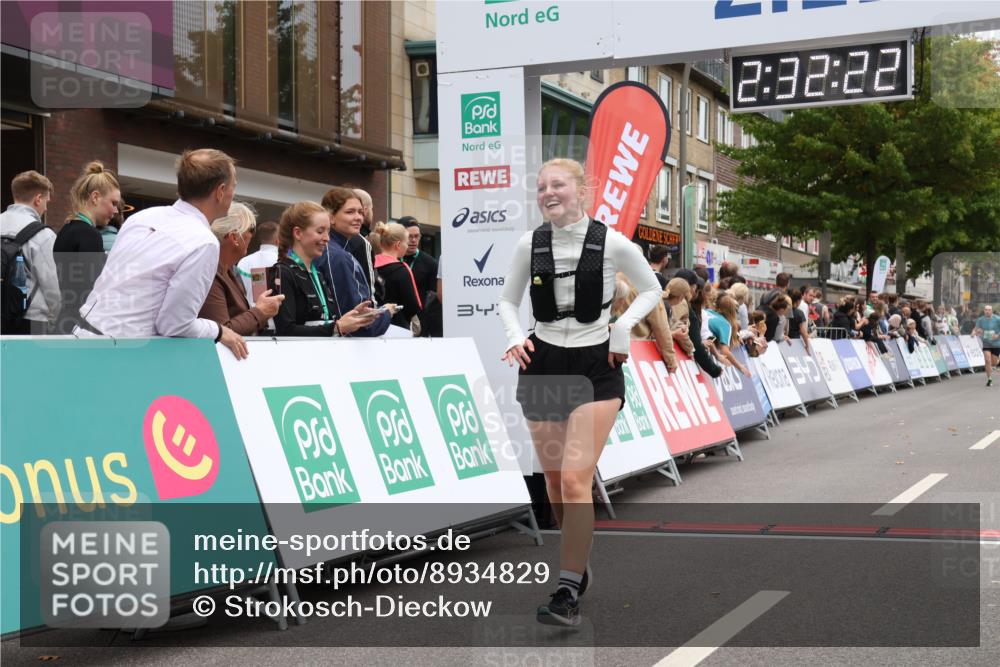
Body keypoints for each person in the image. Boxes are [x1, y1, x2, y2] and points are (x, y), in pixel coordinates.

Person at [498, 158, 660, 627]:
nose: (548, 193)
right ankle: (578, 562)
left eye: (558, 185)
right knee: (553, 484)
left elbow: (650, 290)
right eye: (542, 186)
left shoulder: (611, 242)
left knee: (574, 480)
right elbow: (508, 301)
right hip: (544, 363)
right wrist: (514, 336)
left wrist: (623, 327)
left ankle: (567, 588)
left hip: (596, 367)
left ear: (581, 189)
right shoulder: (530, 243)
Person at [77, 149, 247, 360]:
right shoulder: (204, 242)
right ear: (220, 191)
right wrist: (220, 331)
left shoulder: (142, 217)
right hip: (118, 354)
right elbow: (175, 324)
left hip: (82, 336)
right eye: (234, 186)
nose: (233, 193)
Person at [269, 201, 377, 337]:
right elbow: (286, 330)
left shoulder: (317, 273)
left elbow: (323, 321)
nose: (327, 238)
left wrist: (351, 317)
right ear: (298, 233)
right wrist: (337, 327)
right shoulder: (283, 272)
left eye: (328, 232)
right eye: (320, 231)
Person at [315, 187, 391, 337]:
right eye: (350, 212)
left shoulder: (335, 251)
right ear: (330, 217)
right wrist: (387, 312)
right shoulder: (337, 256)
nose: (358, 218)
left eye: (360, 212)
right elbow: (360, 323)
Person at [54, 161, 120, 334]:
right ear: (96, 197)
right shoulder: (89, 235)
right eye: (113, 203)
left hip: (65, 321)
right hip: (81, 326)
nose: (115, 211)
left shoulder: (66, 230)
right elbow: (93, 290)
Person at [199, 203, 284, 336]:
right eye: (251, 229)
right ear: (234, 237)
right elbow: (221, 332)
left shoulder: (231, 269)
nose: (253, 235)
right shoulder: (210, 273)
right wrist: (260, 311)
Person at [1, 170, 61, 333]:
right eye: (46, 202)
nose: (46, 208)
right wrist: (56, 319)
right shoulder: (43, 234)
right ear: (38, 199)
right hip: (31, 320)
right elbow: (52, 287)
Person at [612, 272, 676, 372]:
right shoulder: (648, 285)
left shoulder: (608, 277)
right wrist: (670, 359)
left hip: (607, 345)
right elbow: (660, 326)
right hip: (639, 352)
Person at [372, 221, 423, 333]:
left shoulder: (370, 264)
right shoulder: (402, 270)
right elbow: (413, 306)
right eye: (406, 242)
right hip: (398, 328)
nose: (407, 245)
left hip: (373, 326)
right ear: (398, 245)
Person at [675, 268, 723, 378]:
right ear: (689, 287)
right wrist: (714, 369)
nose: (696, 290)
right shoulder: (686, 307)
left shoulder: (665, 299)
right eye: (695, 286)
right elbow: (695, 345)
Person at [705, 293, 751, 376]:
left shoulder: (707, 311)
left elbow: (713, 329)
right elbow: (725, 351)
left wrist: (736, 334)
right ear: (732, 311)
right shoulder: (726, 325)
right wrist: (740, 366)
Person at [237, 220, 280, 305]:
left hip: (247, 315)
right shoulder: (283, 262)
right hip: (276, 316)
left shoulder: (244, 262)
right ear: (278, 240)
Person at [398, 216, 438, 304]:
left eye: (417, 236)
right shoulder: (392, 259)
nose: (413, 240)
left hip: (420, 316)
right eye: (409, 236)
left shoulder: (430, 263)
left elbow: (434, 297)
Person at [664, 277, 694, 356]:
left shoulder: (662, 303)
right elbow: (657, 334)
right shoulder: (665, 306)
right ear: (681, 297)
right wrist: (674, 333)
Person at [973, 304, 1000, 387]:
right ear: (984, 311)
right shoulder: (981, 319)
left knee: (994, 362)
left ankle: (998, 363)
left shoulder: (997, 319)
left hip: (996, 343)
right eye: (985, 310)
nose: (987, 311)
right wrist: (974, 332)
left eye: (989, 310)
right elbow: (976, 328)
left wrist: (997, 335)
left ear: (991, 311)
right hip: (986, 342)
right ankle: (989, 379)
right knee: (987, 360)